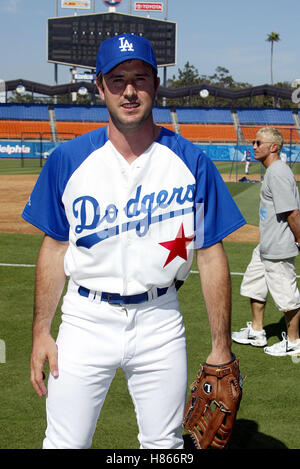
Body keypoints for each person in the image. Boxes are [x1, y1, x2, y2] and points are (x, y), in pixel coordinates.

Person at [22, 33, 245, 449]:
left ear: (156, 85)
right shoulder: (67, 160)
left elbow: (212, 255)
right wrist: (40, 332)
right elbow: (54, 249)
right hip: (85, 320)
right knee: (64, 443)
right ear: (100, 86)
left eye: (140, 78)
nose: (129, 90)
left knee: (163, 446)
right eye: (118, 78)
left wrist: (221, 347)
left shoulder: (191, 161)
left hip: (160, 320)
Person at [232, 127, 300, 357]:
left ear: (274, 147)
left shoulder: (278, 172)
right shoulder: (272, 171)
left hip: (278, 248)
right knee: (255, 284)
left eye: (258, 142)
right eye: (253, 142)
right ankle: (257, 331)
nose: (253, 146)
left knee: (286, 296)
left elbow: (293, 213)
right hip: (266, 246)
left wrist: (299, 240)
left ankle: (294, 341)